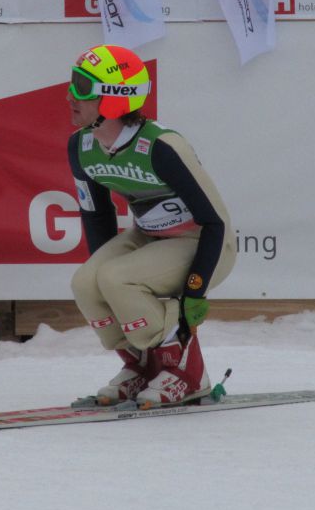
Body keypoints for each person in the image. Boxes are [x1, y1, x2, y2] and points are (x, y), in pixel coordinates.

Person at [66, 44, 235, 407]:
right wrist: (104, 286)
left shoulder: (161, 146)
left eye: (81, 86)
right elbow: (96, 214)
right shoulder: (81, 147)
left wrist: (195, 291)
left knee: (117, 278)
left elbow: (214, 223)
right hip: (150, 237)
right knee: (86, 282)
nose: (70, 95)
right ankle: (143, 365)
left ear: (113, 99)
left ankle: (187, 372)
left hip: (205, 242)